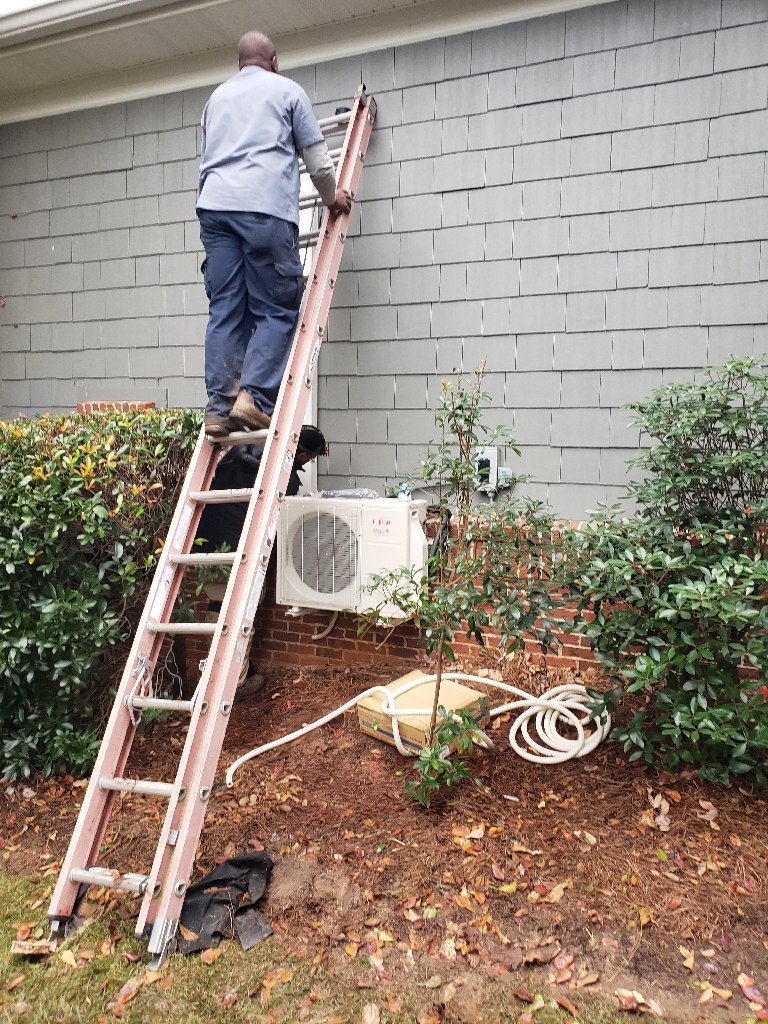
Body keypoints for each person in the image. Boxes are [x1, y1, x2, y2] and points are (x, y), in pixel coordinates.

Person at [197, 31, 352, 437]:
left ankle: (218, 408)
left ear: (239, 65)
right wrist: (334, 198)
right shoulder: (288, 92)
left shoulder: (216, 99)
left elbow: (207, 159)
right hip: (264, 209)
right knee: (277, 308)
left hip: (214, 209)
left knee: (226, 308)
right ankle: (253, 399)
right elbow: (318, 164)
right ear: (275, 60)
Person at [192, 425, 327, 699]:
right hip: (238, 547)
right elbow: (275, 521)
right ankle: (236, 683)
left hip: (204, 541)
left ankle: (221, 668)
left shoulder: (238, 450)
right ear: (301, 453)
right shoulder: (283, 476)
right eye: (310, 458)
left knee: (219, 604)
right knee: (242, 611)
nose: (307, 463)